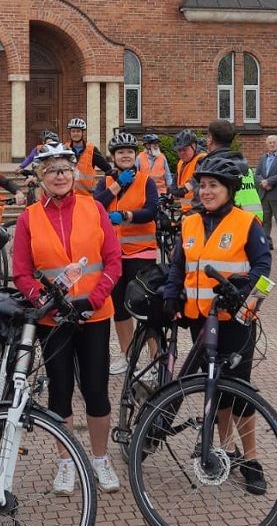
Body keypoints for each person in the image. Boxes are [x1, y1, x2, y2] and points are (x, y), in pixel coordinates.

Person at [11, 143, 123, 494]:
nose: (59, 176)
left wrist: (95, 298)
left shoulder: (94, 208)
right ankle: (65, 462)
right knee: (60, 391)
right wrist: (44, 301)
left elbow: (114, 259)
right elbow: (22, 273)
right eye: (51, 171)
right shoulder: (30, 217)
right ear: (41, 177)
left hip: (92, 314)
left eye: (65, 170)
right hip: (54, 320)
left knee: (95, 389)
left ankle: (100, 459)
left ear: (74, 174)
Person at [161, 153, 272, 494]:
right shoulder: (191, 222)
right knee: (215, 385)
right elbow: (179, 264)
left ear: (230, 189)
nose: (206, 191)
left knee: (239, 391)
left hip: (234, 320)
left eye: (214, 186)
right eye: (202, 185)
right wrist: (171, 295)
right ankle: (225, 451)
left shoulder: (246, 223)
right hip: (199, 319)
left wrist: (242, 291)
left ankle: (251, 458)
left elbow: (264, 269)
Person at [94, 132, 159, 375]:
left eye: (129, 152)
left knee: (146, 307)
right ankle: (128, 356)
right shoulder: (107, 181)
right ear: (113, 157)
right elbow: (95, 206)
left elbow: (151, 210)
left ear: (135, 156)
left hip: (141, 253)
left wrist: (126, 216)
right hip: (113, 256)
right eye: (120, 152)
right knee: (120, 308)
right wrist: (117, 184)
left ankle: (155, 360)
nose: (125, 155)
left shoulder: (146, 180)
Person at [255, 135, 277, 252]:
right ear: (266, 144)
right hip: (264, 193)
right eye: (269, 142)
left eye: (274, 142)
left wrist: (269, 181)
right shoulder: (262, 158)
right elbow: (257, 174)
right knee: (265, 221)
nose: (271, 144)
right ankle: (267, 243)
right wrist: (262, 182)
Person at [66, 117, 113, 195]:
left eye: (78, 131)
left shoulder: (92, 150)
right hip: (68, 194)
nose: (75, 134)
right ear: (70, 133)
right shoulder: (65, 149)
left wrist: (103, 186)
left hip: (86, 194)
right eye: (73, 131)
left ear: (82, 133)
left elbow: (107, 168)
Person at [169, 129, 207, 213]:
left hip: (197, 209)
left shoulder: (202, 159)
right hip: (184, 208)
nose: (181, 153)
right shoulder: (181, 162)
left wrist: (184, 189)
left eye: (184, 149)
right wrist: (172, 191)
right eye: (179, 150)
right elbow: (175, 182)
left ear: (194, 146)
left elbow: (197, 179)